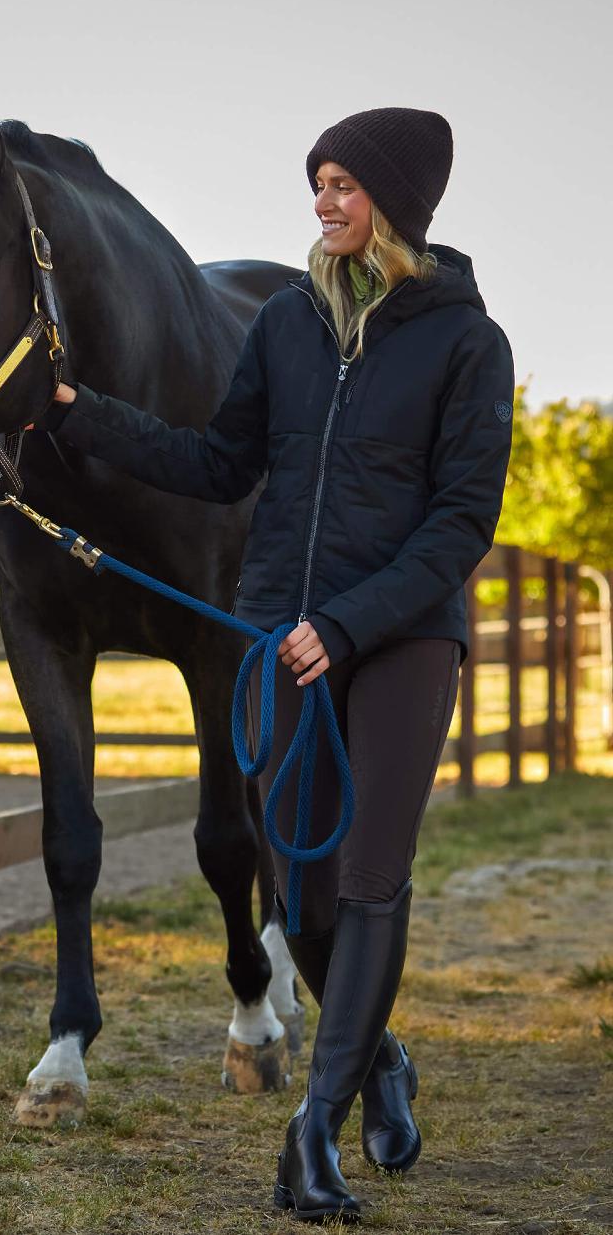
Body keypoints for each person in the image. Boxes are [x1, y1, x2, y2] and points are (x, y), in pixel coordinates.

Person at [36, 106, 515, 1223]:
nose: (323, 203)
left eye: (345, 184)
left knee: (367, 878)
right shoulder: (290, 328)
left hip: (398, 638)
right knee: (296, 891)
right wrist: (75, 413)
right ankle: (378, 1059)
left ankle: (313, 1131)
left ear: (395, 201)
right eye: (319, 183)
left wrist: (345, 624)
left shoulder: (466, 344)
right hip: (279, 635)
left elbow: (459, 523)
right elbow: (214, 460)